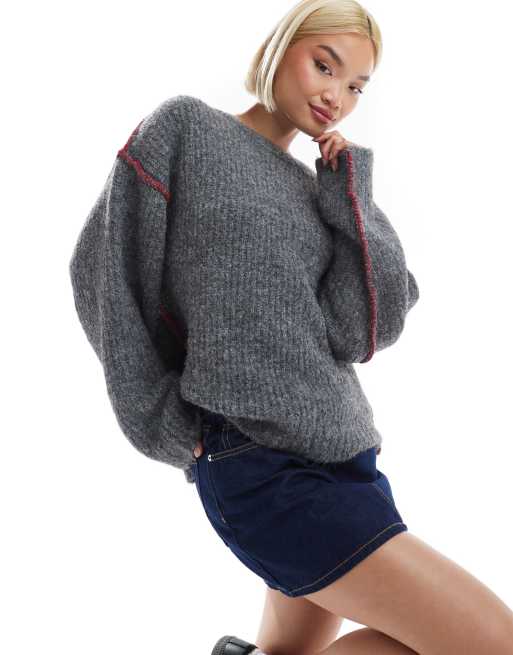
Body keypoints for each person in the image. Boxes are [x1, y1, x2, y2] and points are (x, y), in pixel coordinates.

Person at [68, 0, 513, 653]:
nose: (336, 96)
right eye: (323, 65)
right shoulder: (186, 130)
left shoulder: (320, 192)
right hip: (260, 464)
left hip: (346, 458)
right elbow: (103, 272)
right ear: (280, 48)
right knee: (493, 641)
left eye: (355, 86)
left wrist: (351, 197)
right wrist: (164, 424)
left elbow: (366, 329)